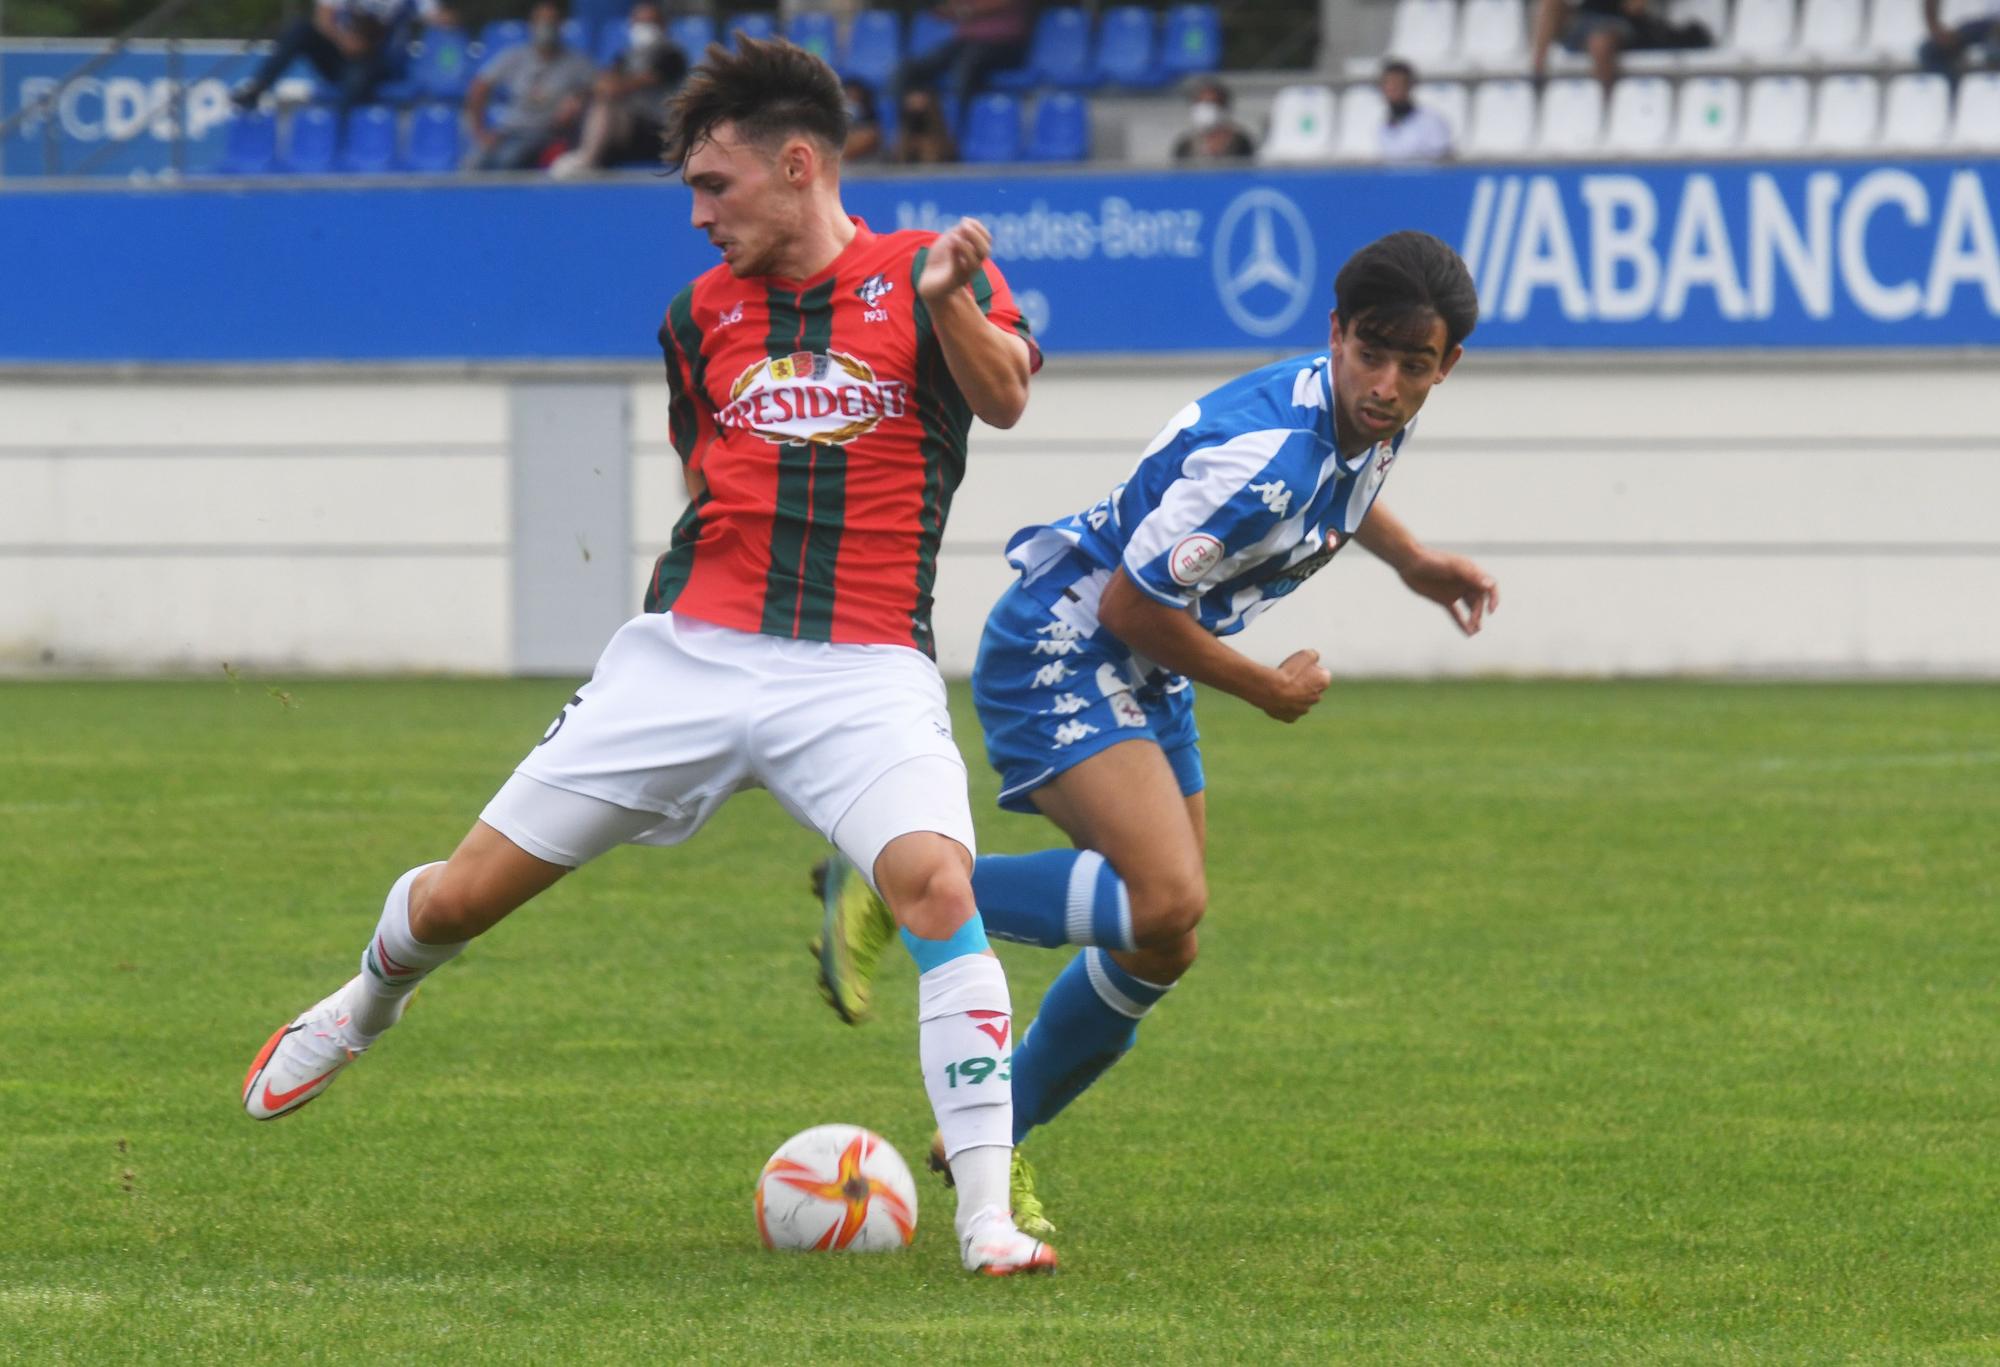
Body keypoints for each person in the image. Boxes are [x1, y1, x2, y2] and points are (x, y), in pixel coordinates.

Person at [241, 35, 1057, 1278]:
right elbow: (703, 470)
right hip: (687, 657)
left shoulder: (925, 274)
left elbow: (1002, 400)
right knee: (460, 897)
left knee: (937, 888)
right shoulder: (701, 314)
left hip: (861, 668)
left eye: (715, 186)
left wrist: (948, 294)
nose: (696, 213)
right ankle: (365, 1003)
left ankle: (986, 1219)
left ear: (797, 164)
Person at [809, 231, 1497, 1236]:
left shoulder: (1355, 413)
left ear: (1447, 364)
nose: (1387, 384)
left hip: (1146, 660)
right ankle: (896, 876)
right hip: (1069, 641)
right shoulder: (1262, 453)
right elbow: (1131, 601)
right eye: (1371, 355)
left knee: (1163, 942)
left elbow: (1344, 487)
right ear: (1334, 333)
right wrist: (1260, 686)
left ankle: (982, 1139)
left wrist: (1413, 561)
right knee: (1164, 896)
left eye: (1414, 365)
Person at [548, 1, 690, 177]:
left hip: (657, 130)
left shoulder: (672, 55)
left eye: (650, 22)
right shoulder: (626, 55)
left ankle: (588, 159)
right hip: (627, 131)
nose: (643, 28)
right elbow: (603, 80)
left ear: (662, 25)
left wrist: (608, 86)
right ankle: (573, 156)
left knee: (605, 104)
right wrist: (576, 98)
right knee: (583, 105)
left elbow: (630, 84)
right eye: (639, 22)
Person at [232, 0, 452, 113]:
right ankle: (257, 88)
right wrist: (344, 41)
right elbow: (323, 18)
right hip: (343, 52)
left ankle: (340, 138)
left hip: (382, 62)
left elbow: (435, 17)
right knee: (300, 30)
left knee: (359, 73)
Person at [465, 1, 599, 171]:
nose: (546, 26)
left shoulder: (577, 62)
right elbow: (480, 86)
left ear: (560, 25)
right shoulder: (514, 56)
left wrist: (579, 99)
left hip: (545, 132)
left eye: (551, 21)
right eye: (541, 21)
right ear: (531, 25)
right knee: (473, 162)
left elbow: (600, 88)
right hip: (508, 130)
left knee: (507, 160)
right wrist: (480, 131)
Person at [890, 0, 1033, 130]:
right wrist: (945, 10)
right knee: (908, 70)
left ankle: (958, 131)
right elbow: (954, 8)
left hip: (1004, 43)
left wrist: (966, 10)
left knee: (965, 68)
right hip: (965, 42)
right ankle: (898, 132)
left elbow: (989, 5)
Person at [1529, 0, 1712, 91]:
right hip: (1587, 19)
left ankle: (1608, 103)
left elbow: (1635, 8)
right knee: (1550, 4)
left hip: (1623, 22)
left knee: (1600, 42)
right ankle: (1538, 71)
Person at [1377, 60, 1452, 163]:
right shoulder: (1379, 124)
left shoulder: (1431, 120)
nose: (1392, 89)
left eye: (1397, 84)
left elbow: (1444, 162)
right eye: (1388, 84)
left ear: (1409, 86)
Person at [1170, 78, 1255, 164]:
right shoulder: (1186, 144)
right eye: (1201, 103)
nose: (1205, 108)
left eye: (1211, 103)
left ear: (1224, 106)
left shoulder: (1240, 142)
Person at [1921, 0, 2000, 86]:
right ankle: (1953, 89)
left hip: (1991, 31)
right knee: (1927, 52)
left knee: (1993, 51)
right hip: (1958, 33)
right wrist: (1937, 31)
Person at [893, 88, 957, 164]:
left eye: (922, 114)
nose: (917, 114)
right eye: (913, 113)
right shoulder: (900, 144)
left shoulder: (945, 144)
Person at [842, 78, 884, 162]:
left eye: (855, 96)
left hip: (865, 164)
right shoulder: (832, 116)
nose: (852, 100)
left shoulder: (870, 124)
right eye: (849, 95)